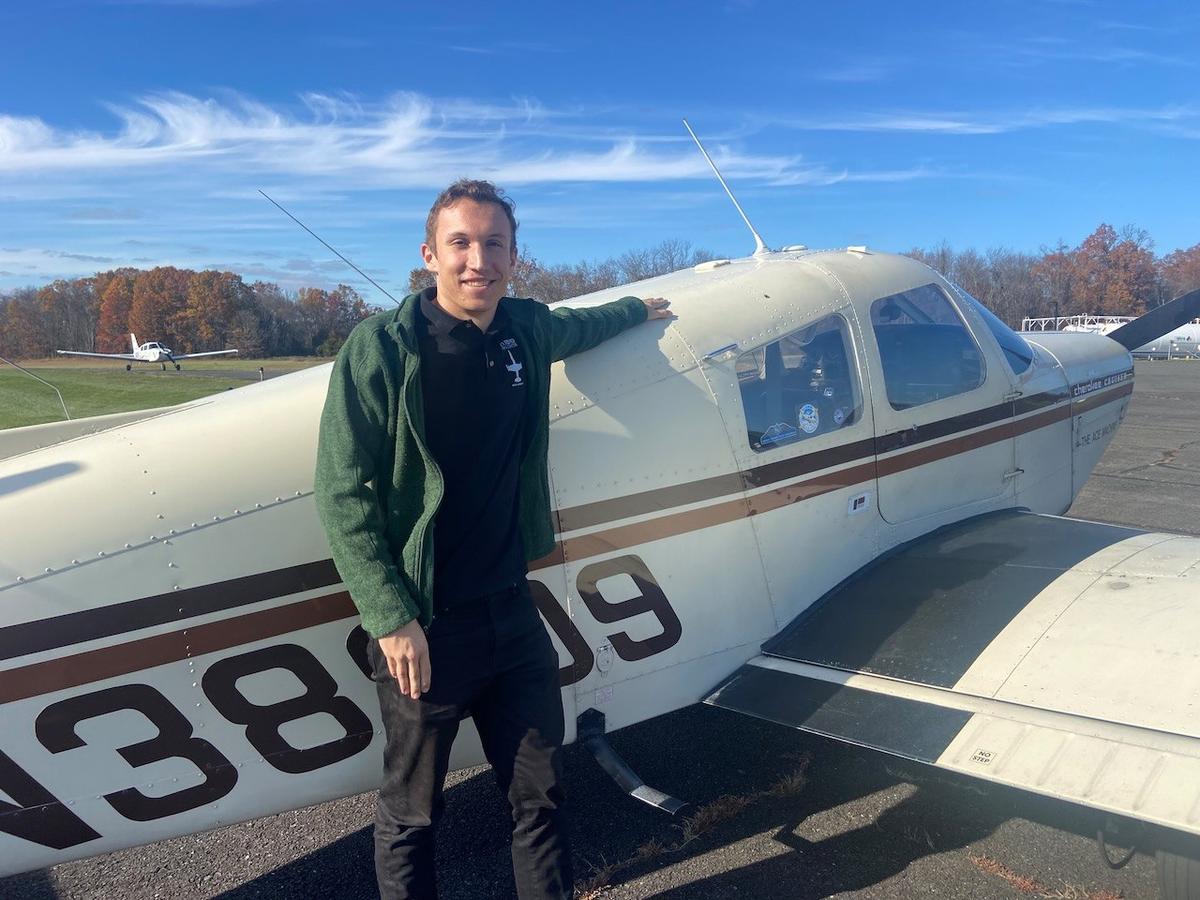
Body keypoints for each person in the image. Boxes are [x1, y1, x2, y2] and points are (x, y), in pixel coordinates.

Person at [314, 178, 672, 899]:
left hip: (514, 614)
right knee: (413, 812)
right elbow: (341, 491)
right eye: (461, 243)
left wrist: (641, 308)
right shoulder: (381, 350)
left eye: (495, 244)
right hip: (427, 625)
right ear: (429, 255)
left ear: (514, 255)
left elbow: (584, 326)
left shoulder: (525, 329)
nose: (478, 260)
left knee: (540, 797)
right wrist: (391, 617)